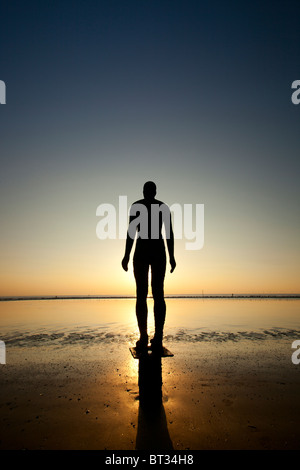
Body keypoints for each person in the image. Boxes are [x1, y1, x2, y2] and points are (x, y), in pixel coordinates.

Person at [122, 181, 176, 353]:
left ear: (151, 192)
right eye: (147, 190)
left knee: (154, 294)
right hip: (147, 250)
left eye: (149, 190)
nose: (148, 193)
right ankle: (146, 336)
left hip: (152, 250)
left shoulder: (157, 207)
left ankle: (156, 336)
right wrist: (126, 255)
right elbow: (131, 232)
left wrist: (173, 256)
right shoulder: (142, 206)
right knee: (146, 294)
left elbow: (169, 233)